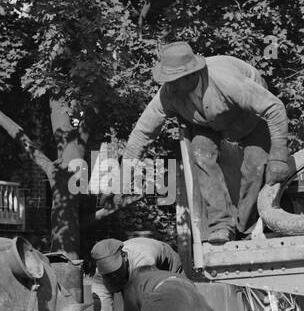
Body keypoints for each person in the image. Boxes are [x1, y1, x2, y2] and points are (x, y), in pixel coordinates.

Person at [123, 42, 292, 243]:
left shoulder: (226, 82)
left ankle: (246, 229)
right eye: (168, 80)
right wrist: (124, 176)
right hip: (207, 123)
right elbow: (143, 132)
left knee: (255, 165)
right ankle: (221, 226)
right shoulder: (170, 93)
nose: (170, 85)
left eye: (175, 80)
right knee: (200, 154)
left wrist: (279, 157)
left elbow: (274, 108)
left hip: (249, 118)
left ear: (192, 75)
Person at [89, 235, 182, 311]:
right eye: (109, 274)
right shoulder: (100, 275)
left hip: (167, 266)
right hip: (132, 273)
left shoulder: (144, 261)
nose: (113, 277)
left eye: (116, 270)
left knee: (175, 310)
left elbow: (145, 309)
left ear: (124, 256)